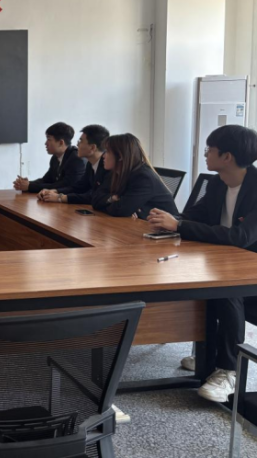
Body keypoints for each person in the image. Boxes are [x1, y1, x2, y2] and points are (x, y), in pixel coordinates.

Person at [147, 125, 257, 402]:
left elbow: (240, 237)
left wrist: (180, 226)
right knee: (203, 278)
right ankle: (209, 355)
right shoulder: (218, 183)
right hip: (226, 261)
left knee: (226, 288)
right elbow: (192, 216)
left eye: (210, 149)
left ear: (227, 156)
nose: (205, 154)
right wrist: (168, 221)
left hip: (250, 269)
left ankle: (229, 370)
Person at [91, 133, 177, 218]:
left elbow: (120, 210)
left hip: (159, 225)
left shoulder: (143, 177)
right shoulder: (116, 172)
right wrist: (113, 198)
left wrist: (115, 206)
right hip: (137, 222)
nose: (103, 156)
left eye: (107, 152)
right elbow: (95, 200)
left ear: (120, 156)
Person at [39, 124, 110, 205]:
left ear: (92, 148)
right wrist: (54, 191)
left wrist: (61, 197)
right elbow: (79, 187)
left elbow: (96, 196)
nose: (77, 144)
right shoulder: (90, 164)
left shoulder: (108, 167)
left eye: (81, 141)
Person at [13, 122, 85, 194]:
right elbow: (46, 180)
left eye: (49, 139)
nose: (45, 143)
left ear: (61, 143)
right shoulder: (55, 158)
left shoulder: (76, 159)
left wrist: (30, 186)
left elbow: (64, 185)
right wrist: (27, 183)